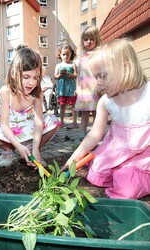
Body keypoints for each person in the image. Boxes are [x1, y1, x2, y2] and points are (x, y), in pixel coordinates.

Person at [61, 38, 150, 200]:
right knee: (95, 173)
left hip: (144, 154)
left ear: (126, 66)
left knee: (127, 186)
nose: (98, 83)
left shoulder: (148, 94)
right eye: (96, 77)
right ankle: (120, 171)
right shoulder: (106, 101)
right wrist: (74, 158)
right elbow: (94, 134)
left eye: (102, 76)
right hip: (118, 149)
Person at [0, 47, 60, 167]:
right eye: (26, 77)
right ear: (14, 73)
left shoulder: (37, 93)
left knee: (54, 121)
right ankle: (9, 149)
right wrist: (18, 146)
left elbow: (38, 122)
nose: (31, 83)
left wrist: (36, 148)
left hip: (28, 126)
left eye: (36, 78)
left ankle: (32, 151)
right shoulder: (5, 91)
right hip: (9, 128)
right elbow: (4, 125)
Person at [75, 26, 101, 140]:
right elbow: (79, 74)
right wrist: (77, 87)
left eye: (91, 39)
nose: (88, 41)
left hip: (95, 87)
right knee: (85, 112)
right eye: (86, 39)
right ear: (82, 41)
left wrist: (101, 84)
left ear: (96, 39)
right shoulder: (81, 58)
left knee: (96, 111)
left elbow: (101, 72)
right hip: (84, 89)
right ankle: (82, 132)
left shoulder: (99, 54)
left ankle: (96, 132)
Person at [54, 44, 78, 129]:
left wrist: (70, 75)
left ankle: (75, 122)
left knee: (73, 106)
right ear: (60, 55)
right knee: (62, 106)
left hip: (71, 89)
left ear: (71, 54)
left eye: (68, 54)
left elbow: (76, 75)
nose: (66, 56)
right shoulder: (59, 65)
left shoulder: (73, 64)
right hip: (62, 89)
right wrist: (60, 75)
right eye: (64, 54)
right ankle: (62, 121)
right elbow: (55, 77)